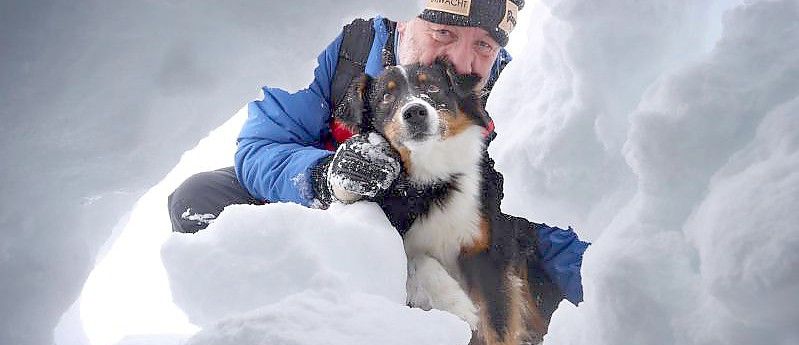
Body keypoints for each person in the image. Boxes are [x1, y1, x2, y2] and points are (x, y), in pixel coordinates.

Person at [168, 0, 588, 313]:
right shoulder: (339, 46)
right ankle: (284, 334)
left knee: (535, 277)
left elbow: (548, 215)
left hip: (446, 249)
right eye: (443, 33)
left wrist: (612, 283)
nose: (461, 62)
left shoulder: (518, 93)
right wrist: (324, 177)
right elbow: (263, 146)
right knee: (201, 198)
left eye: (484, 45)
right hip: (328, 219)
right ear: (403, 18)